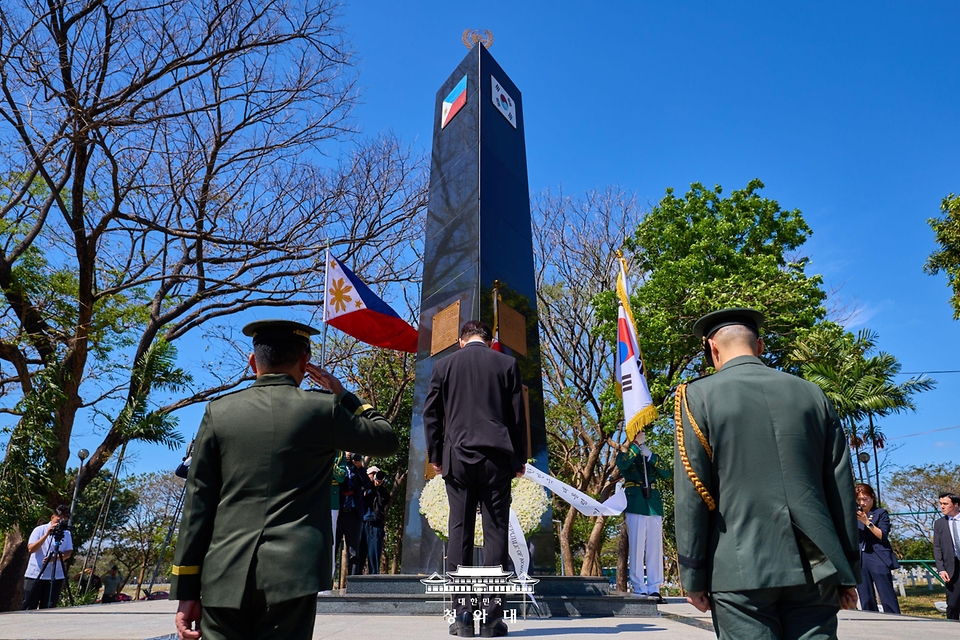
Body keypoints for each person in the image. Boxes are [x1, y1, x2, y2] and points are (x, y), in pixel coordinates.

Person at [171, 319, 398, 640]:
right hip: (294, 576)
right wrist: (343, 394)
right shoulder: (323, 410)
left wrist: (187, 591)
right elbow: (386, 438)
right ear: (305, 364)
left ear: (253, 362)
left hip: (223, 574)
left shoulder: (218, 412)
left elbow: (198, 507)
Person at [674, 308, 861, 640]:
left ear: (713, 348)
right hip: (817, 566)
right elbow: (840, 488)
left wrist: (693, 576)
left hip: (739, 567)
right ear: (759, 346)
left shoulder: (696, 397)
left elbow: (692, 494)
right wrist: (847, 572)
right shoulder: (813, 394)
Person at [424, 320, 527, 638]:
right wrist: (518, 459)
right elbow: (517, 416)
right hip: (497, 460)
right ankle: (494, 617)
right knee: (496, 534)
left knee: (460, 534)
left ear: (460, 341)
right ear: (491, 339)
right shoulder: (507, 363)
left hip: (458, 458)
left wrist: (436, 456)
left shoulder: (444, 365)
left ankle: (463, 615)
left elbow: (431, 413)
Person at [615, 429, 671, 602]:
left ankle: (654, 587)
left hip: (653, 504)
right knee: (637, 547)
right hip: (636, 502)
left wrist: (650, 455)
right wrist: (635, 447)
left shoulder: (649, 456)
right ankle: (639, 587)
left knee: (655, 548)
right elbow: (623, 465)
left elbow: (666, 473)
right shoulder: (625, 455)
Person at [854, 483, 901, 614]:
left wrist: (866, 522)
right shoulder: (853, 516)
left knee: (886, 595)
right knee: (866, 597)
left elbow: (882, 535)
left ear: (872, 497)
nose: (862, 503)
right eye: (859, 500)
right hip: (861, 558)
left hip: (878, 556)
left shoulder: (880, 513)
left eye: (865, 499)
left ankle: (895, 619)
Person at [22, 505, 73, 610]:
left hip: (55, 576)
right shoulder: (39, 530)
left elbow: (68, 553)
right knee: (29, 606)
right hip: (35, 574)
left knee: (49, 607)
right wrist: (46, 535)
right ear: (52, 517)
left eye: (64, 521)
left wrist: (54, 558)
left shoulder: (66, 533)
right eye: (58, 520)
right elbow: (31, 549)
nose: (60, 523)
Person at [336, 452, 371, 576]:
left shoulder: (358, 470)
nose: (350, 455)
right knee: (333, 549)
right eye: (347, 452)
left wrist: (360, 467)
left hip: (353, 514)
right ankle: (327, 582)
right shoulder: (338, 466)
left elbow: (368, 485)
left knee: (354, 552)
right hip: (338, 513)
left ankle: (352, 585)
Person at [933, 492, 960, 620]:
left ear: (956, 505)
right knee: (953, 604)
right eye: (941, 504)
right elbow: (937, 548)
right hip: (952, 567)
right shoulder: (939, 524)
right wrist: (941, 569)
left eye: (945, 504)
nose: (942, 507)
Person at [362, 466, 391, 575]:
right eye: (372, 474)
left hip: (375, 524)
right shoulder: (363, 487)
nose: (375, 477)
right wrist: (368, 484)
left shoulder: (382, 491)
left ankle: (374, 580)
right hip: (362, 523)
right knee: (358, 556)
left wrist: (378, 487)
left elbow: (384, 500)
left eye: (376, 474)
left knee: (374, 556)